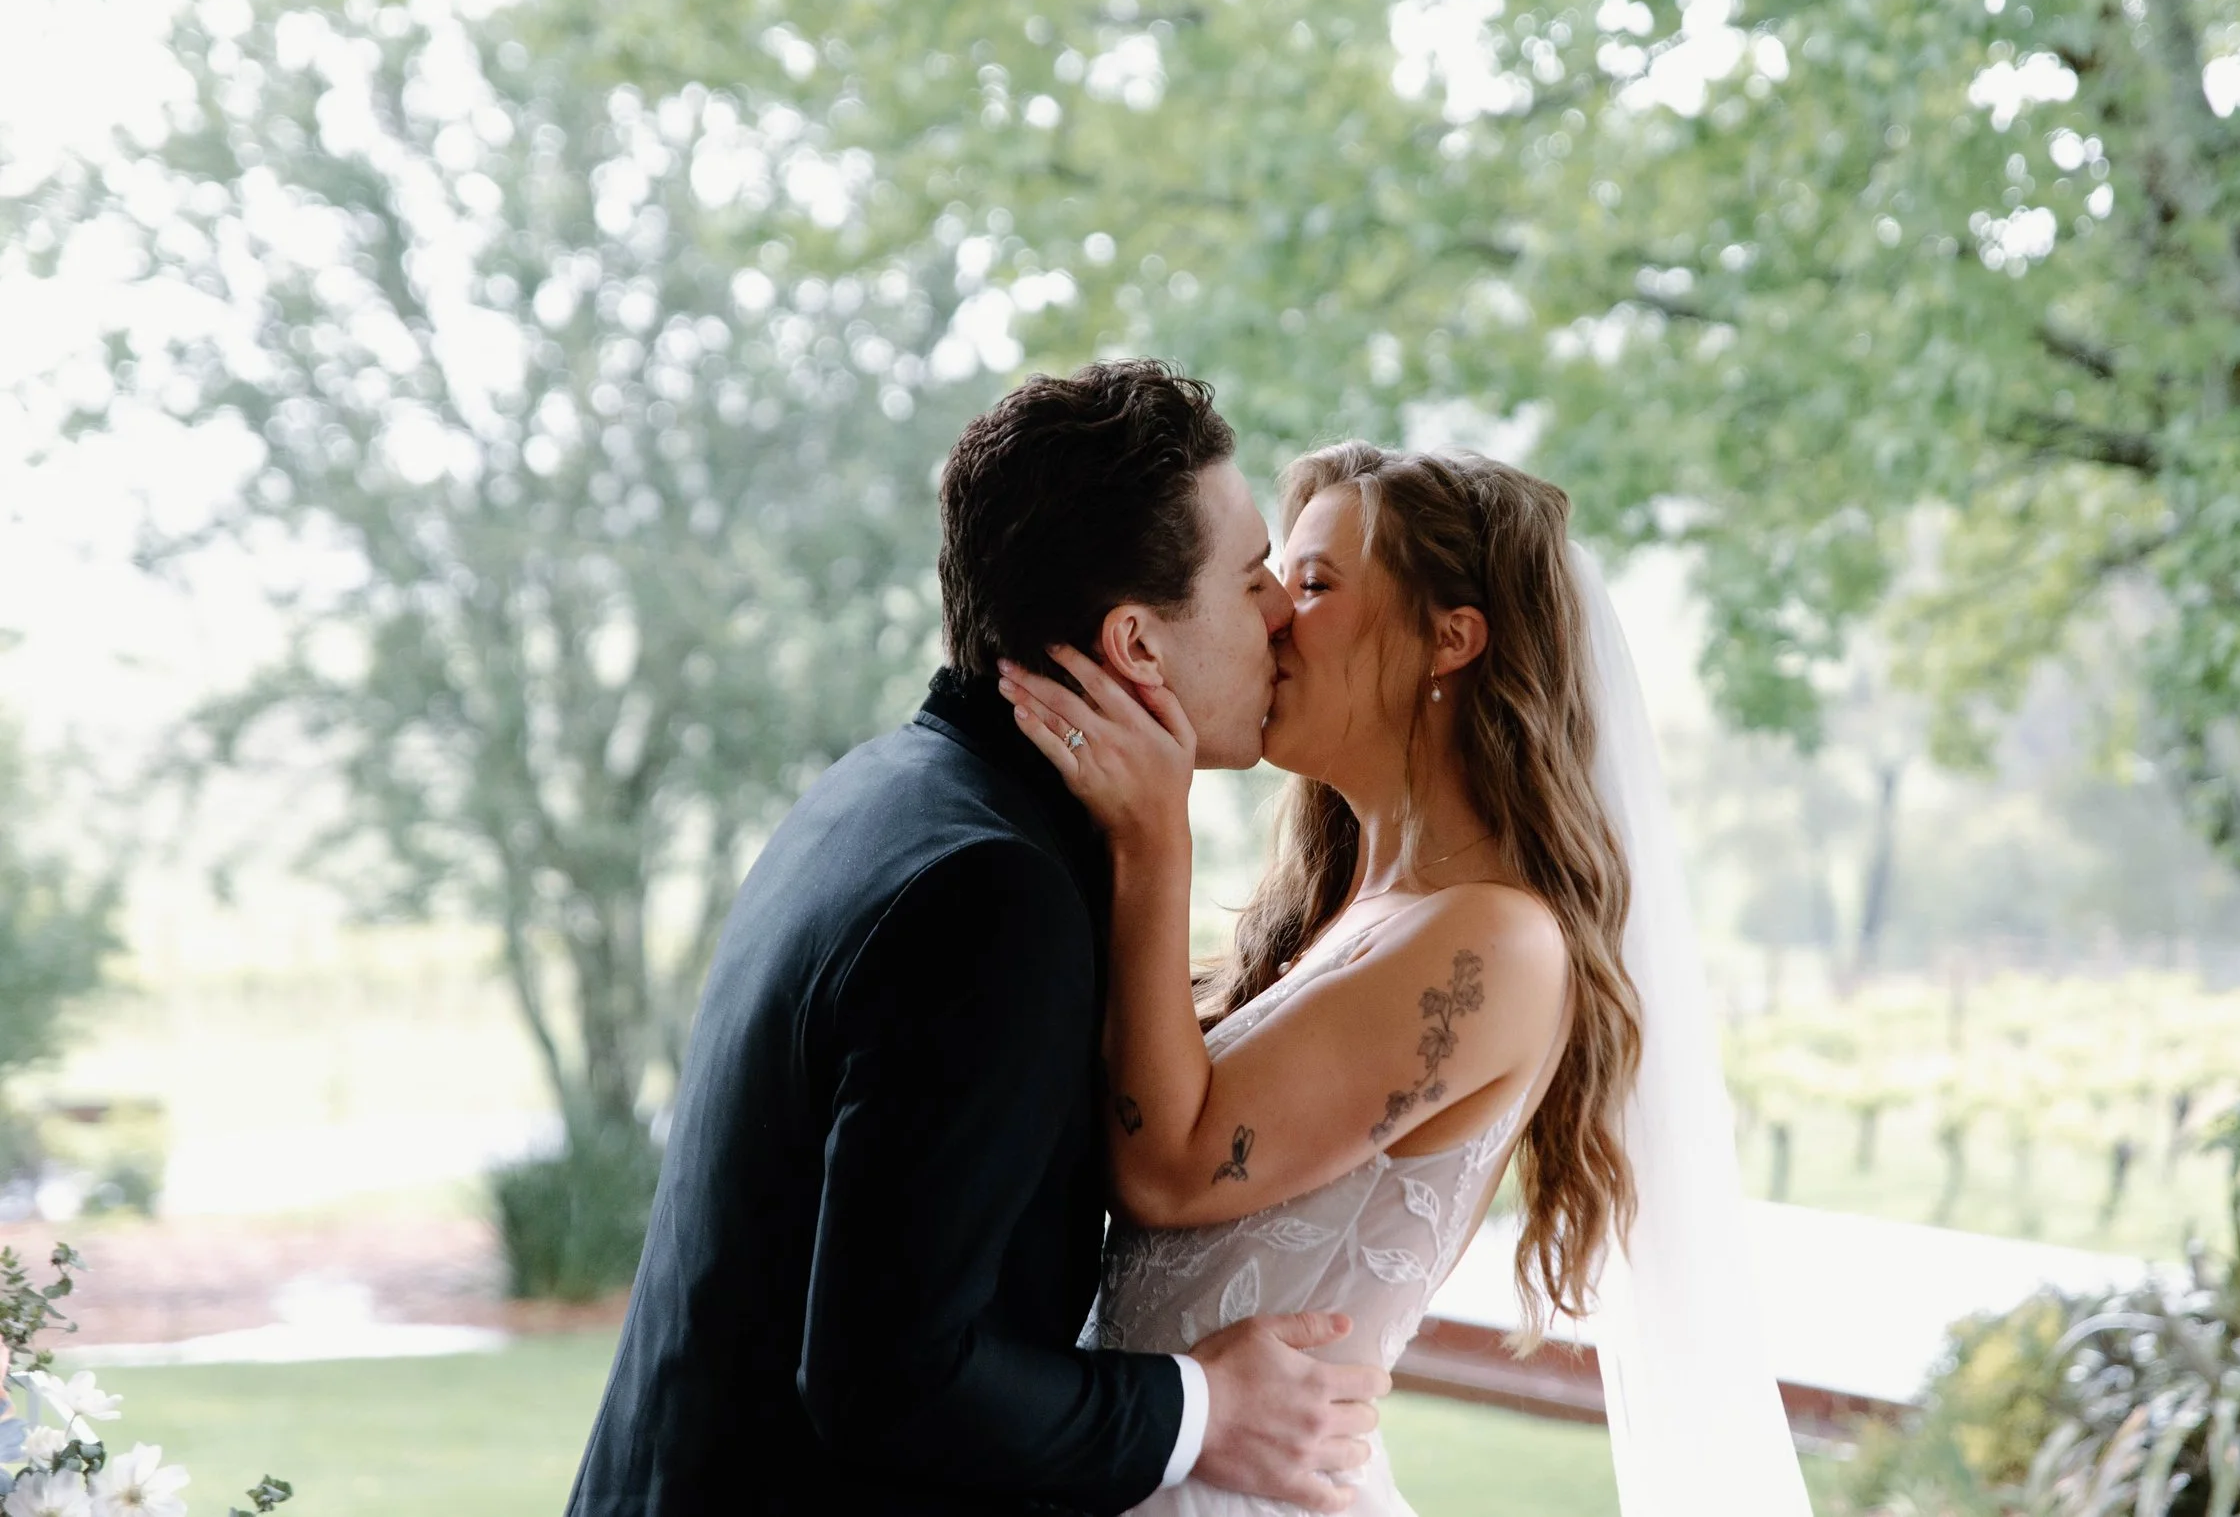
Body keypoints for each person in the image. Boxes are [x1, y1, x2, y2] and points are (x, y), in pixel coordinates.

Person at [565, 363, 1389, 1517]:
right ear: (1137, 643)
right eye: (1252, 577)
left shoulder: (886, 793)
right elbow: (892, 1378)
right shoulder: (989, 893)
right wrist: (1205, 1404)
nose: (1278, 616)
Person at [998, 442, 1810, 1515]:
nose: (1276, 616)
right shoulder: (1352, 912)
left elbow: (1173, 1167)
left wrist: (1153, 840)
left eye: (1317, 583)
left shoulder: (1494, 945)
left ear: (1451, 637)